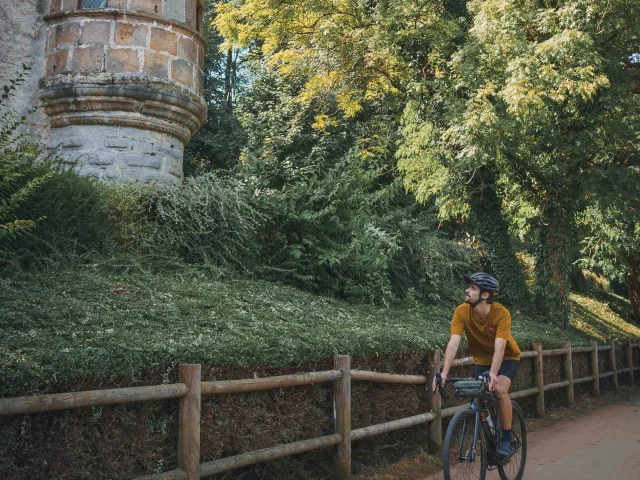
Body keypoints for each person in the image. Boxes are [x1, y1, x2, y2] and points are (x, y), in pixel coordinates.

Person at [432, 272, 521, 459]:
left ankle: (506, 440)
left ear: (485, 295)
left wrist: (494, 374)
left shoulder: (501, 314)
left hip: (507, 357)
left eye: (473, 288)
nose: (467, 290)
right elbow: (454, 342)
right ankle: (487, 438)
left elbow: (500, 347)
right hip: (482, 361)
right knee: (477, 398)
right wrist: (444, 373)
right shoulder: (461, 312)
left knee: (500, 390)